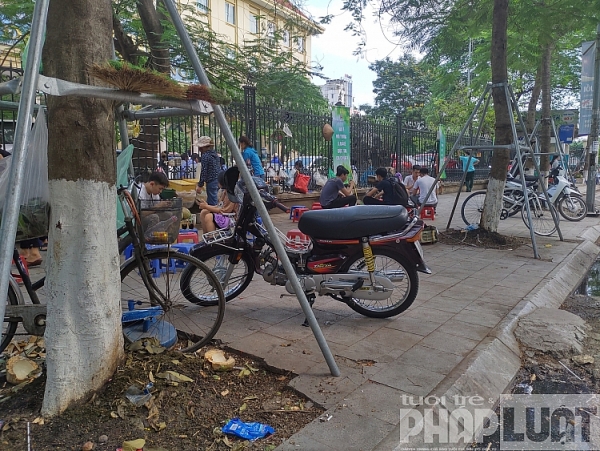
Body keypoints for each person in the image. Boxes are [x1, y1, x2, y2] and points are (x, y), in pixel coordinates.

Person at [195, 136, 220, 206]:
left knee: (212, 201)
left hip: (211, 180)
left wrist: (200, 185)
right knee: (215, 198)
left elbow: (204, 171)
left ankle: (213, 215)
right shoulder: (214, 154)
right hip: (217, 179)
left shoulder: (205, 156)